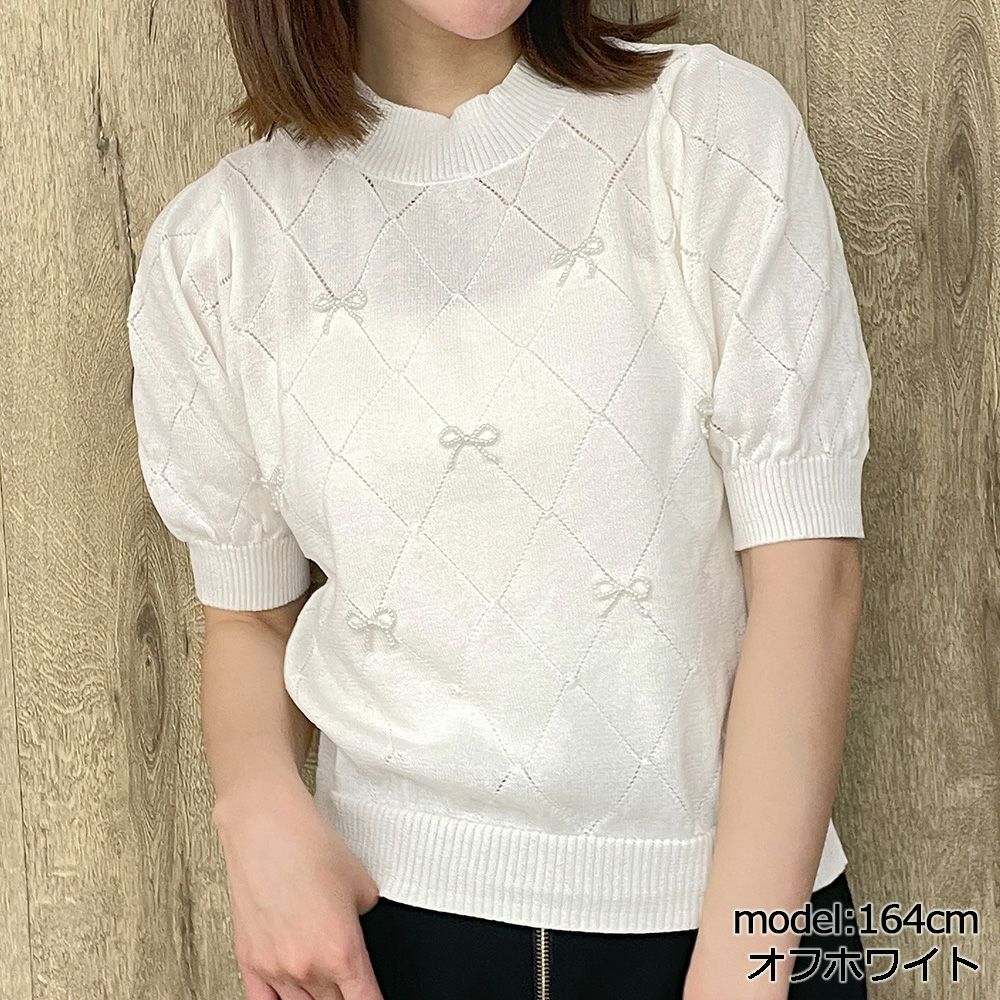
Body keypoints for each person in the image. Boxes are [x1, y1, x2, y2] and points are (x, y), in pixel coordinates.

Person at [126, 1, 874, 997]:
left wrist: (746, 967)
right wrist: (254, 807)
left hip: (744, 918)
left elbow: (810, 580)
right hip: (387, 930)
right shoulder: (218, 249)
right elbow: (252, 616)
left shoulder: (706, 130)